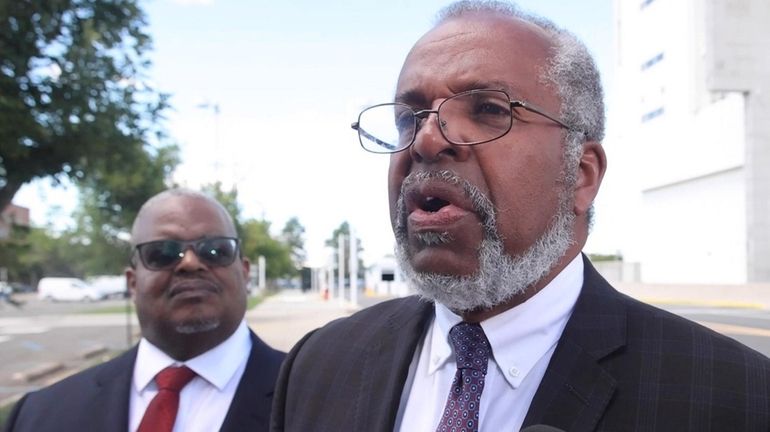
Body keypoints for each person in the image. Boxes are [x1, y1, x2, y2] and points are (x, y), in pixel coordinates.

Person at [271, 2, 770, 431]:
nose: (426, 139)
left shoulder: (736, 398)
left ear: (581, 173)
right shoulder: (318, 366)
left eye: (488, 109)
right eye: (408, 117)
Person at [5, 189, 285, 432]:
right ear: (132, 282)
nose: (190, 262)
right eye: (162, 252)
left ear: (245, 273)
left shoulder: (315, 397)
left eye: (215, 250)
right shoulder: (40, 415)